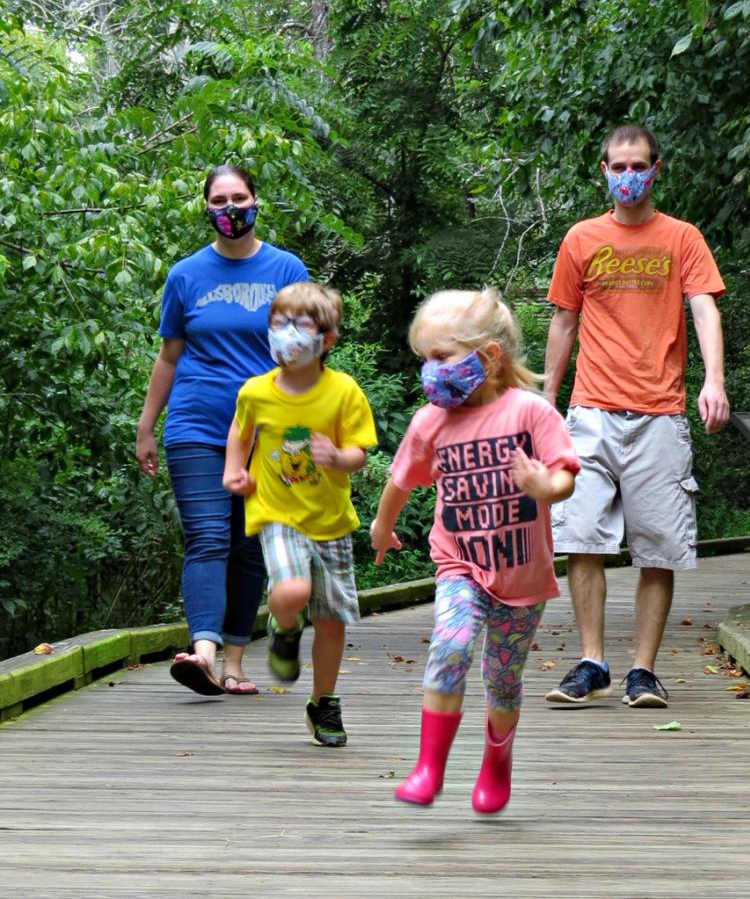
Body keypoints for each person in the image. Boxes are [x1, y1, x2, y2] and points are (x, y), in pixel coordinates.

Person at [370, 288, 579, 812]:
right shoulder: (430, 422)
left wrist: (544, 486)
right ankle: (429, 768)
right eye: (425, 358)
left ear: (488, 357)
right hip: (459, 564)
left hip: (523, 577)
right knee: (451, 647)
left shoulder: (530, 412)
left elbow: (566, 476)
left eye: (441, 357)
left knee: (503, 681)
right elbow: (399, 482)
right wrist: (380, 527)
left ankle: (496, 762)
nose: (429, 370)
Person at [544, 124, 731, 710]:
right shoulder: (581, 238)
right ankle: (592, 662)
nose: (629, 176)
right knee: (581, 538)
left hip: (660, 414)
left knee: (658, 547)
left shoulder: (682, 237)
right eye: (618, 166)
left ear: (657, 169)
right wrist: (546, 401)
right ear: (603, 170)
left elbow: (703, 310)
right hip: (591, 412)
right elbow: (564, 323)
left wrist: (715, 380)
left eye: (639, 166)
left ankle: (642, 672)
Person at [136, 164, 308, 696]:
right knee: (207, 537)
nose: (229, 209)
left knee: (249, 545)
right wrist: (147, 427)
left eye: (239, 197)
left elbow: (305, 353)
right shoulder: (186, 275)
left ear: (256, 201)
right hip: (197, 422)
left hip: (269, 430)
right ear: (206, 208)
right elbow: (169, 356)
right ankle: (204, 650)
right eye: (219, 200)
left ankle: (234, 660)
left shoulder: (286, 269)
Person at [223, 281, 377, 746]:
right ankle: (283, 626)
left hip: (330, 521)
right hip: (276, 513)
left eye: (300, 325)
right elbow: (240, 433)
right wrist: (235, 470)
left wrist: (339, 458)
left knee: (332, 620)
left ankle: (323, 703)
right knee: (292, 589)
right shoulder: (256, 392)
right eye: (278, 323)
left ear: (326, 340)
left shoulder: (343, 391)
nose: (286, 333)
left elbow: (360, 452)